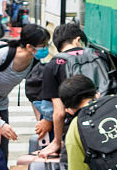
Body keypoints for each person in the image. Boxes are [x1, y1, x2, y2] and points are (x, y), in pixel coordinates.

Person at [0, 24, 49, 140]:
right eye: (43, 46)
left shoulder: (34, 63)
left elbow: (34, 95)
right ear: (29, 47)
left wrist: (41, 122)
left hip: (1, 104)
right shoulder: (2, 55)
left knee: (2, 145)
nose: (47, 48)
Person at [35, 23, 87, 159]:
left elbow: (59, 113)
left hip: (75, 129)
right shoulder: (97, 57)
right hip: (102, 119)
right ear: (77, 40)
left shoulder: (52, 66)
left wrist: (57, 141)